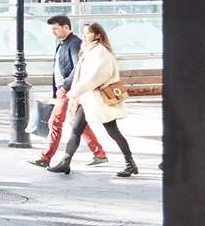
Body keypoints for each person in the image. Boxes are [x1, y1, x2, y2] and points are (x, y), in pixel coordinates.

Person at [48, 20, 141, 176]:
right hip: (88, 99)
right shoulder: (88, 50)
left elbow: (96, 77)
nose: (84, 36)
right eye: (84, 33)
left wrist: (75, 92)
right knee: (76, 129)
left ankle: (130, 163)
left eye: (88, 33)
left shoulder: (101, 52)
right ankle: (65, 162)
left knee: (113, 131)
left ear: (97, 35)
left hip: (99, 100)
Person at [31, 14, 107, 167]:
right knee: (77, 123)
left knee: (55, 122)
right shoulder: (63, 43)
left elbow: (78, 67)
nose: (53, 32)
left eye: (55, 29)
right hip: (65, 90)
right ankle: (99, 153)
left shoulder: (74, 43)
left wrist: (64, 87)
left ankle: (45, 158)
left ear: (66, 27)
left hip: (68, 90)